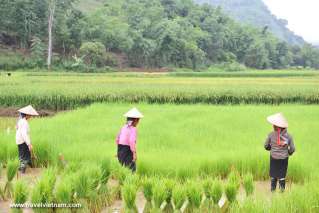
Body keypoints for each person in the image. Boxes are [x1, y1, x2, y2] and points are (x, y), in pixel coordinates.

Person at [264, 113, 295, 192]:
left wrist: (271, 148)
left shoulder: (271, 135)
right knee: (282, 177)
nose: (273, 125)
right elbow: (292, 149)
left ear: (276, 126)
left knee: (273, 176)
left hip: (273, 158)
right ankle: (282, 194)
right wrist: (288, 152)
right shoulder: (289, 136)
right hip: (283, 159)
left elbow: (266, 145)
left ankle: (273, 192)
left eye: (274, 124)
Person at [116, 107, 143, 172]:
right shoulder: (133, 129)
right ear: (135, 120)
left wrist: (119, 152)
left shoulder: (123, 127)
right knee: (131, 169)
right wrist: (134, 153)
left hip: (120, 149)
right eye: (138, 120)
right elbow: (131, 141)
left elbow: (117, 139)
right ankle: (130, 181)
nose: (138, 122)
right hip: (128, 150)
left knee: (123, 168)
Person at [16, 105, 39, 173]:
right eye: (30, 115)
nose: (31, 116)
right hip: (23, 141)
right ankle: (22, 172)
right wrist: (29, 144)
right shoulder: (24, 122)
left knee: (26, 155)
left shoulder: (21, 121)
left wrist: (29, 144)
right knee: (24, 157)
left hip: (20, 140)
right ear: (26, 115)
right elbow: (24, 134)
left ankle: (32, 167)